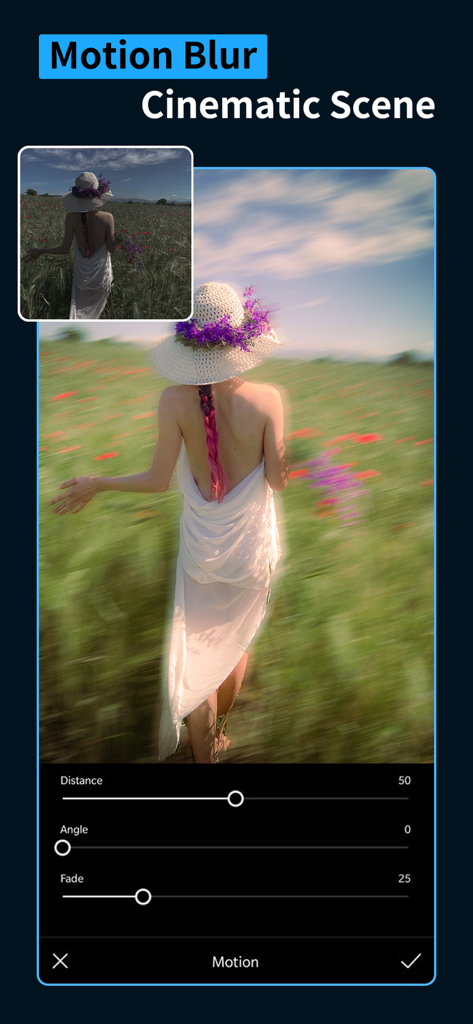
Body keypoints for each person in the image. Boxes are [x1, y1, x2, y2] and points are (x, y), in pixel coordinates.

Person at [49, 282, 289, 763]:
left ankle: (202, 752)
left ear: (190, 342)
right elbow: (279, 483)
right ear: (241, 338)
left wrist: (97, 481)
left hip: (202, 546)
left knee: (198, 646)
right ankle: (217, 733)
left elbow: (158, 481)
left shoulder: (172, 401)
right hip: (251, 548)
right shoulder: (268, 399)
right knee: (236, 642)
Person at [23, 172, 115, 319]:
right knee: (97, 314)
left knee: (79, 314)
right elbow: (111, 249)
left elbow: (64, 249)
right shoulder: (107, 217)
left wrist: (41, 250)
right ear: (98, 194)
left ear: (77, 196)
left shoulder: (71, 218)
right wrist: (123, 243)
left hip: (81, 277)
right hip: (101, 277)